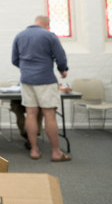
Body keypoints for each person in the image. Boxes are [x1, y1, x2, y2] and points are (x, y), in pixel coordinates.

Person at [12, 15, 71, 162]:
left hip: (26, 80)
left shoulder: (20, 36)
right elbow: (60, 56)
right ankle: (56, 153)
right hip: (45, 79)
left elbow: (14, 59)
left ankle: (34, 150)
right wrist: (63, 70)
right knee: (49, 115)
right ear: (46, 24)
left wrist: (27, 69)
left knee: (30, 114)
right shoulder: (49, 35)